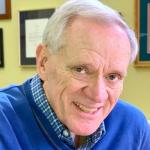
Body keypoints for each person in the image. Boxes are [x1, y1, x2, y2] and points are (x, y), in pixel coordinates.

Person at [0, 0, 150, 149]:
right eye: (81, 69)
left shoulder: (134, 127)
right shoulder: (4, 121)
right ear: (43, 63)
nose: (98, 95)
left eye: (112, 77)